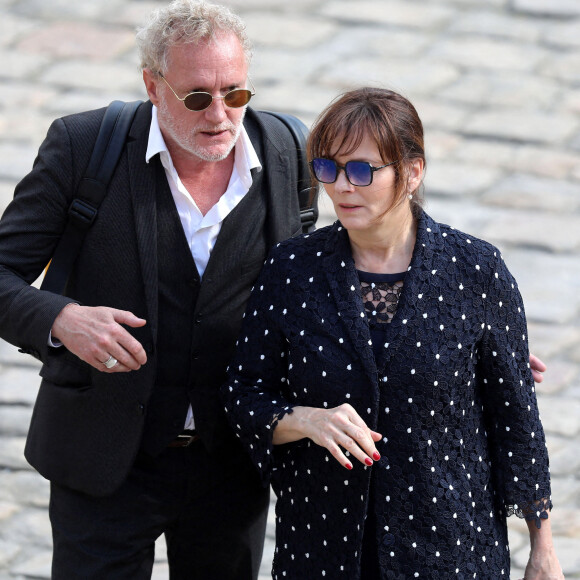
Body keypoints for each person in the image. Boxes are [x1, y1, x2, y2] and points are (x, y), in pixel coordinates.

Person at [0, 1, 311, 578]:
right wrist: (61, 317)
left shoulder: (289, 151)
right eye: (198, 97)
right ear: (153, 85)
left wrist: (463, 338)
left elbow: (355, 270)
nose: (220, 114)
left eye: (236, 93)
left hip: (232, 463)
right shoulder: (81, 145)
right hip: (103, 457)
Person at [221, 87, 563, 579]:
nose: (342, 187)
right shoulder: (292, 269)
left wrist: (542, 548)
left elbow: (514, 420)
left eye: (362, 170)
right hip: (323, 545)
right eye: (327, 168)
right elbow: (242, 394)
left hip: (450, 545)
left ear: (413, 171)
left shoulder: (475, 271)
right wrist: (306, 420)